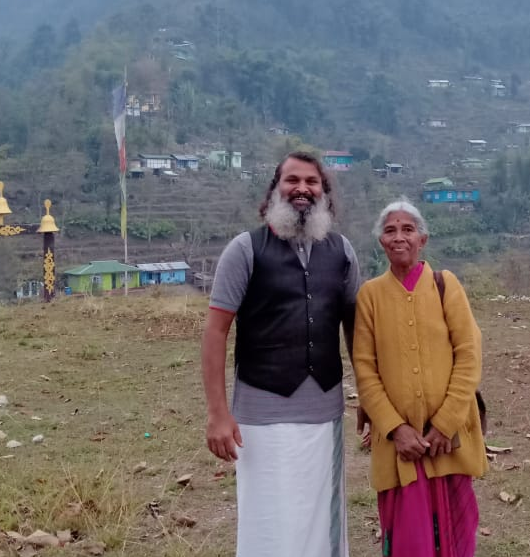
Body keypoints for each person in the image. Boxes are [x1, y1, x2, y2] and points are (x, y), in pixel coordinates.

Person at [201, 151, 361, 557]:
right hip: (261, 416)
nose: (302, 189)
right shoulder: (245, 249)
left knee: (320, 521)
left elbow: (355, 331)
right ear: (275, 189)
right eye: (292, 180)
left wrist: (370, 399)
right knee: (270, 523)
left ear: (324, 192)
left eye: (312, 181)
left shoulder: (342, 252)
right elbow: (215, 331)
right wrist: (219, 414)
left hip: (325, 414)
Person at [353, 198, 487, 557]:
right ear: (381, 241)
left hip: (449, 441)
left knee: (456, 539)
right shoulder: (369, 296)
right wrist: (396, 429)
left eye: (408, 229)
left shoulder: (446, 285)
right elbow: (364, 369)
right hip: (400, 449)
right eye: (390, 230)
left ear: (422, 239)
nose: (399, 237)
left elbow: (468, 355)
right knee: (409, 542)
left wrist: (445, 424)